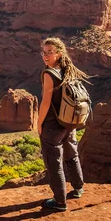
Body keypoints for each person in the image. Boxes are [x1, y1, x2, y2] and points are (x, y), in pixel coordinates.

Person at [37, 37, 89, 211]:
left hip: (53, 125)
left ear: (59, 53)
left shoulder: (49, 73)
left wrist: (39, 123)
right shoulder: (68, 69)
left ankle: (59, 201)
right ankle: (78, 188)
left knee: (54, 162)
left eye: (50, 52)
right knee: (71, 154)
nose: (46, 55)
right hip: (69, 121)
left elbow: (45, 102)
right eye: (44, 52)